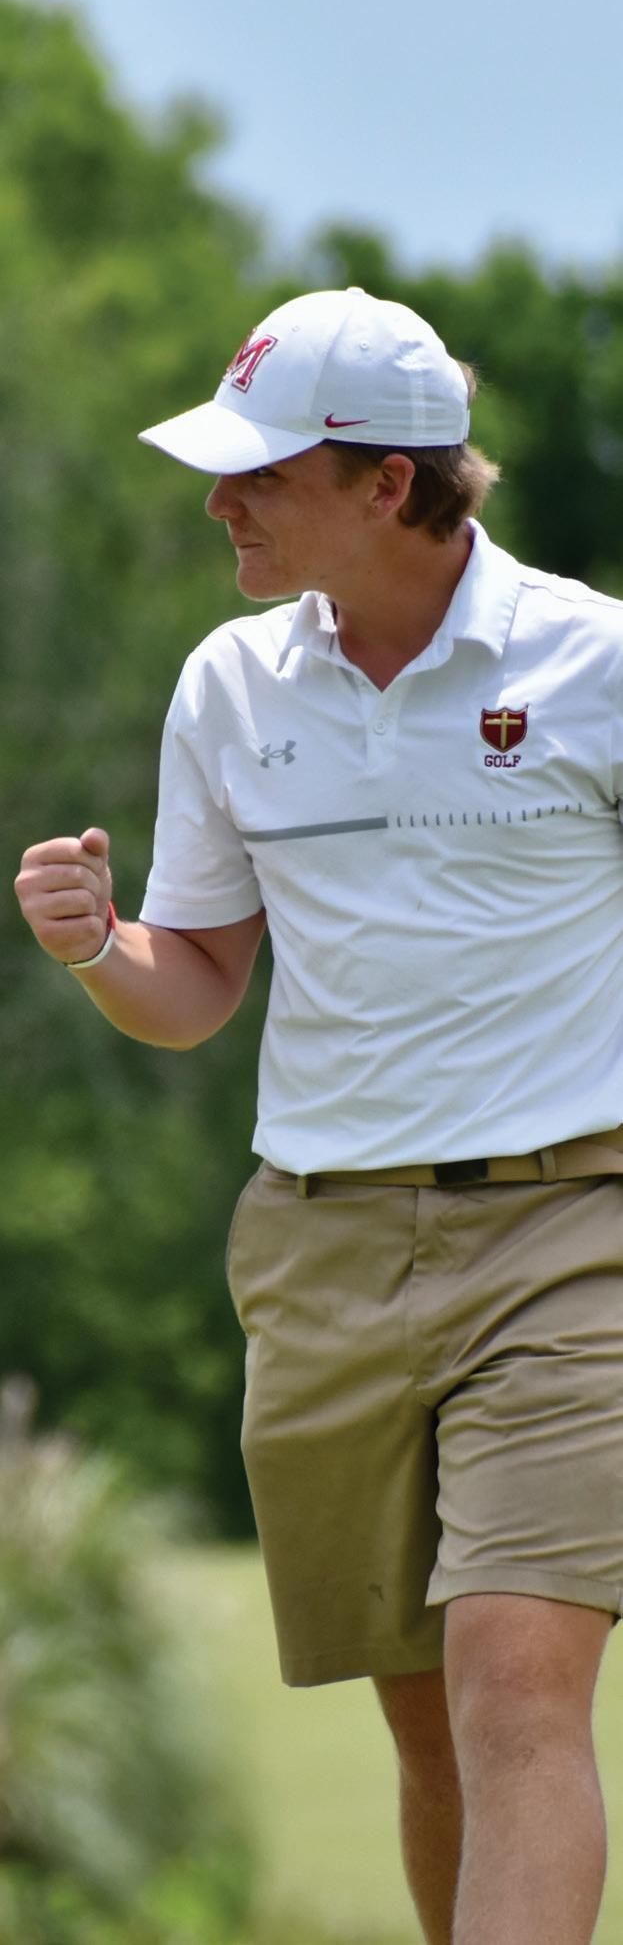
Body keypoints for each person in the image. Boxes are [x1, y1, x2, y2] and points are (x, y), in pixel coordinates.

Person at [15, 285, 623, 1945]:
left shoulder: (593, 660)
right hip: (323, 1246)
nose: (222, 502)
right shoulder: (230, 685)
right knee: (429, 1728)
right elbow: (201, 977)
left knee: (515, 1683)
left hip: (570, 1239)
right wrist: (97, 947)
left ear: (387, 482)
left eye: (262, 474)